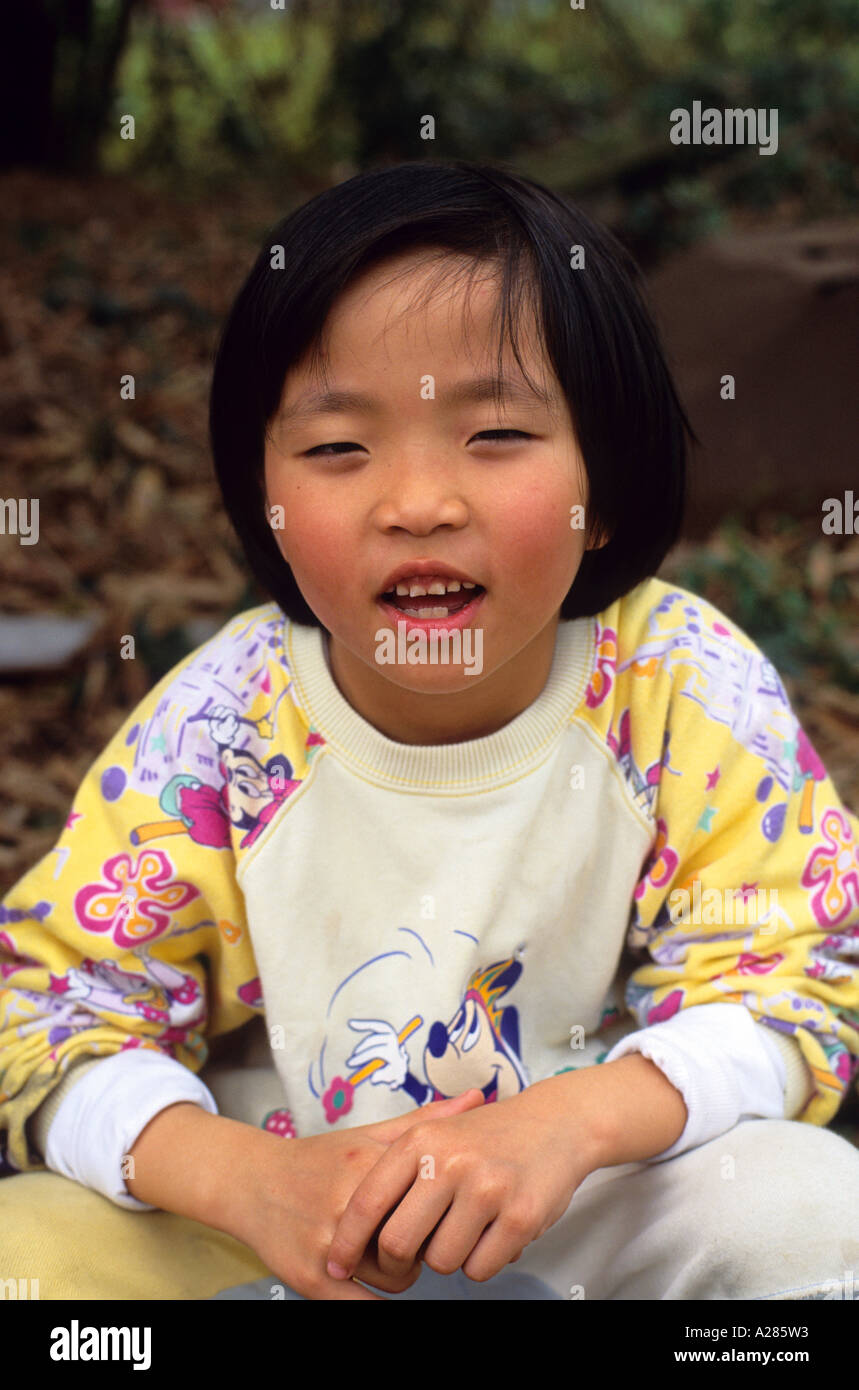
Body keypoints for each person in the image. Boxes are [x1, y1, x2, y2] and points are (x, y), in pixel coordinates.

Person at [2, 160, 858, 1303]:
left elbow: (793, 978)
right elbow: (55, 1006)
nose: (416, 501)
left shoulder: (679, 685)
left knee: (813, 1215)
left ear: (602, 484)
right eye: (337, 449)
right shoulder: (221, 720)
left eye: (494, 434)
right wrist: (247, 1181)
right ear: (259, 491)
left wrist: (567, 1125)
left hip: (590, 1193)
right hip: (272, 1203)